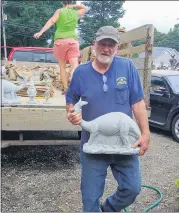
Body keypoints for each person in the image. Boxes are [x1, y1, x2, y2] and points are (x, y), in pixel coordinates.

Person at [66, 26, 150, 212]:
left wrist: (145, 133)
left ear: (117, 48)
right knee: (90, 198)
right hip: (93, 146)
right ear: (94, 45)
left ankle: (109, 209)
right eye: (102, 44)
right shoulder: (81, 72)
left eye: (111, 45)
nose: (106, 49)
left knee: (132, 188)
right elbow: (70, 99)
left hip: (124, 144)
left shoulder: (127, 67)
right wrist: (72, 113)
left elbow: (137, 103)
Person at [34, 1, 87, 94]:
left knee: (62, 67)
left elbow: (52, 21)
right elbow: (84, 8)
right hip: (72, 41)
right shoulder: (75, 12)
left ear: (63, 2)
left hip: (60, 41)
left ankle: (66, 89)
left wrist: (41, 32)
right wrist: (73, 6)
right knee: (74, 66)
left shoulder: (59, 11)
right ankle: (74, 84)